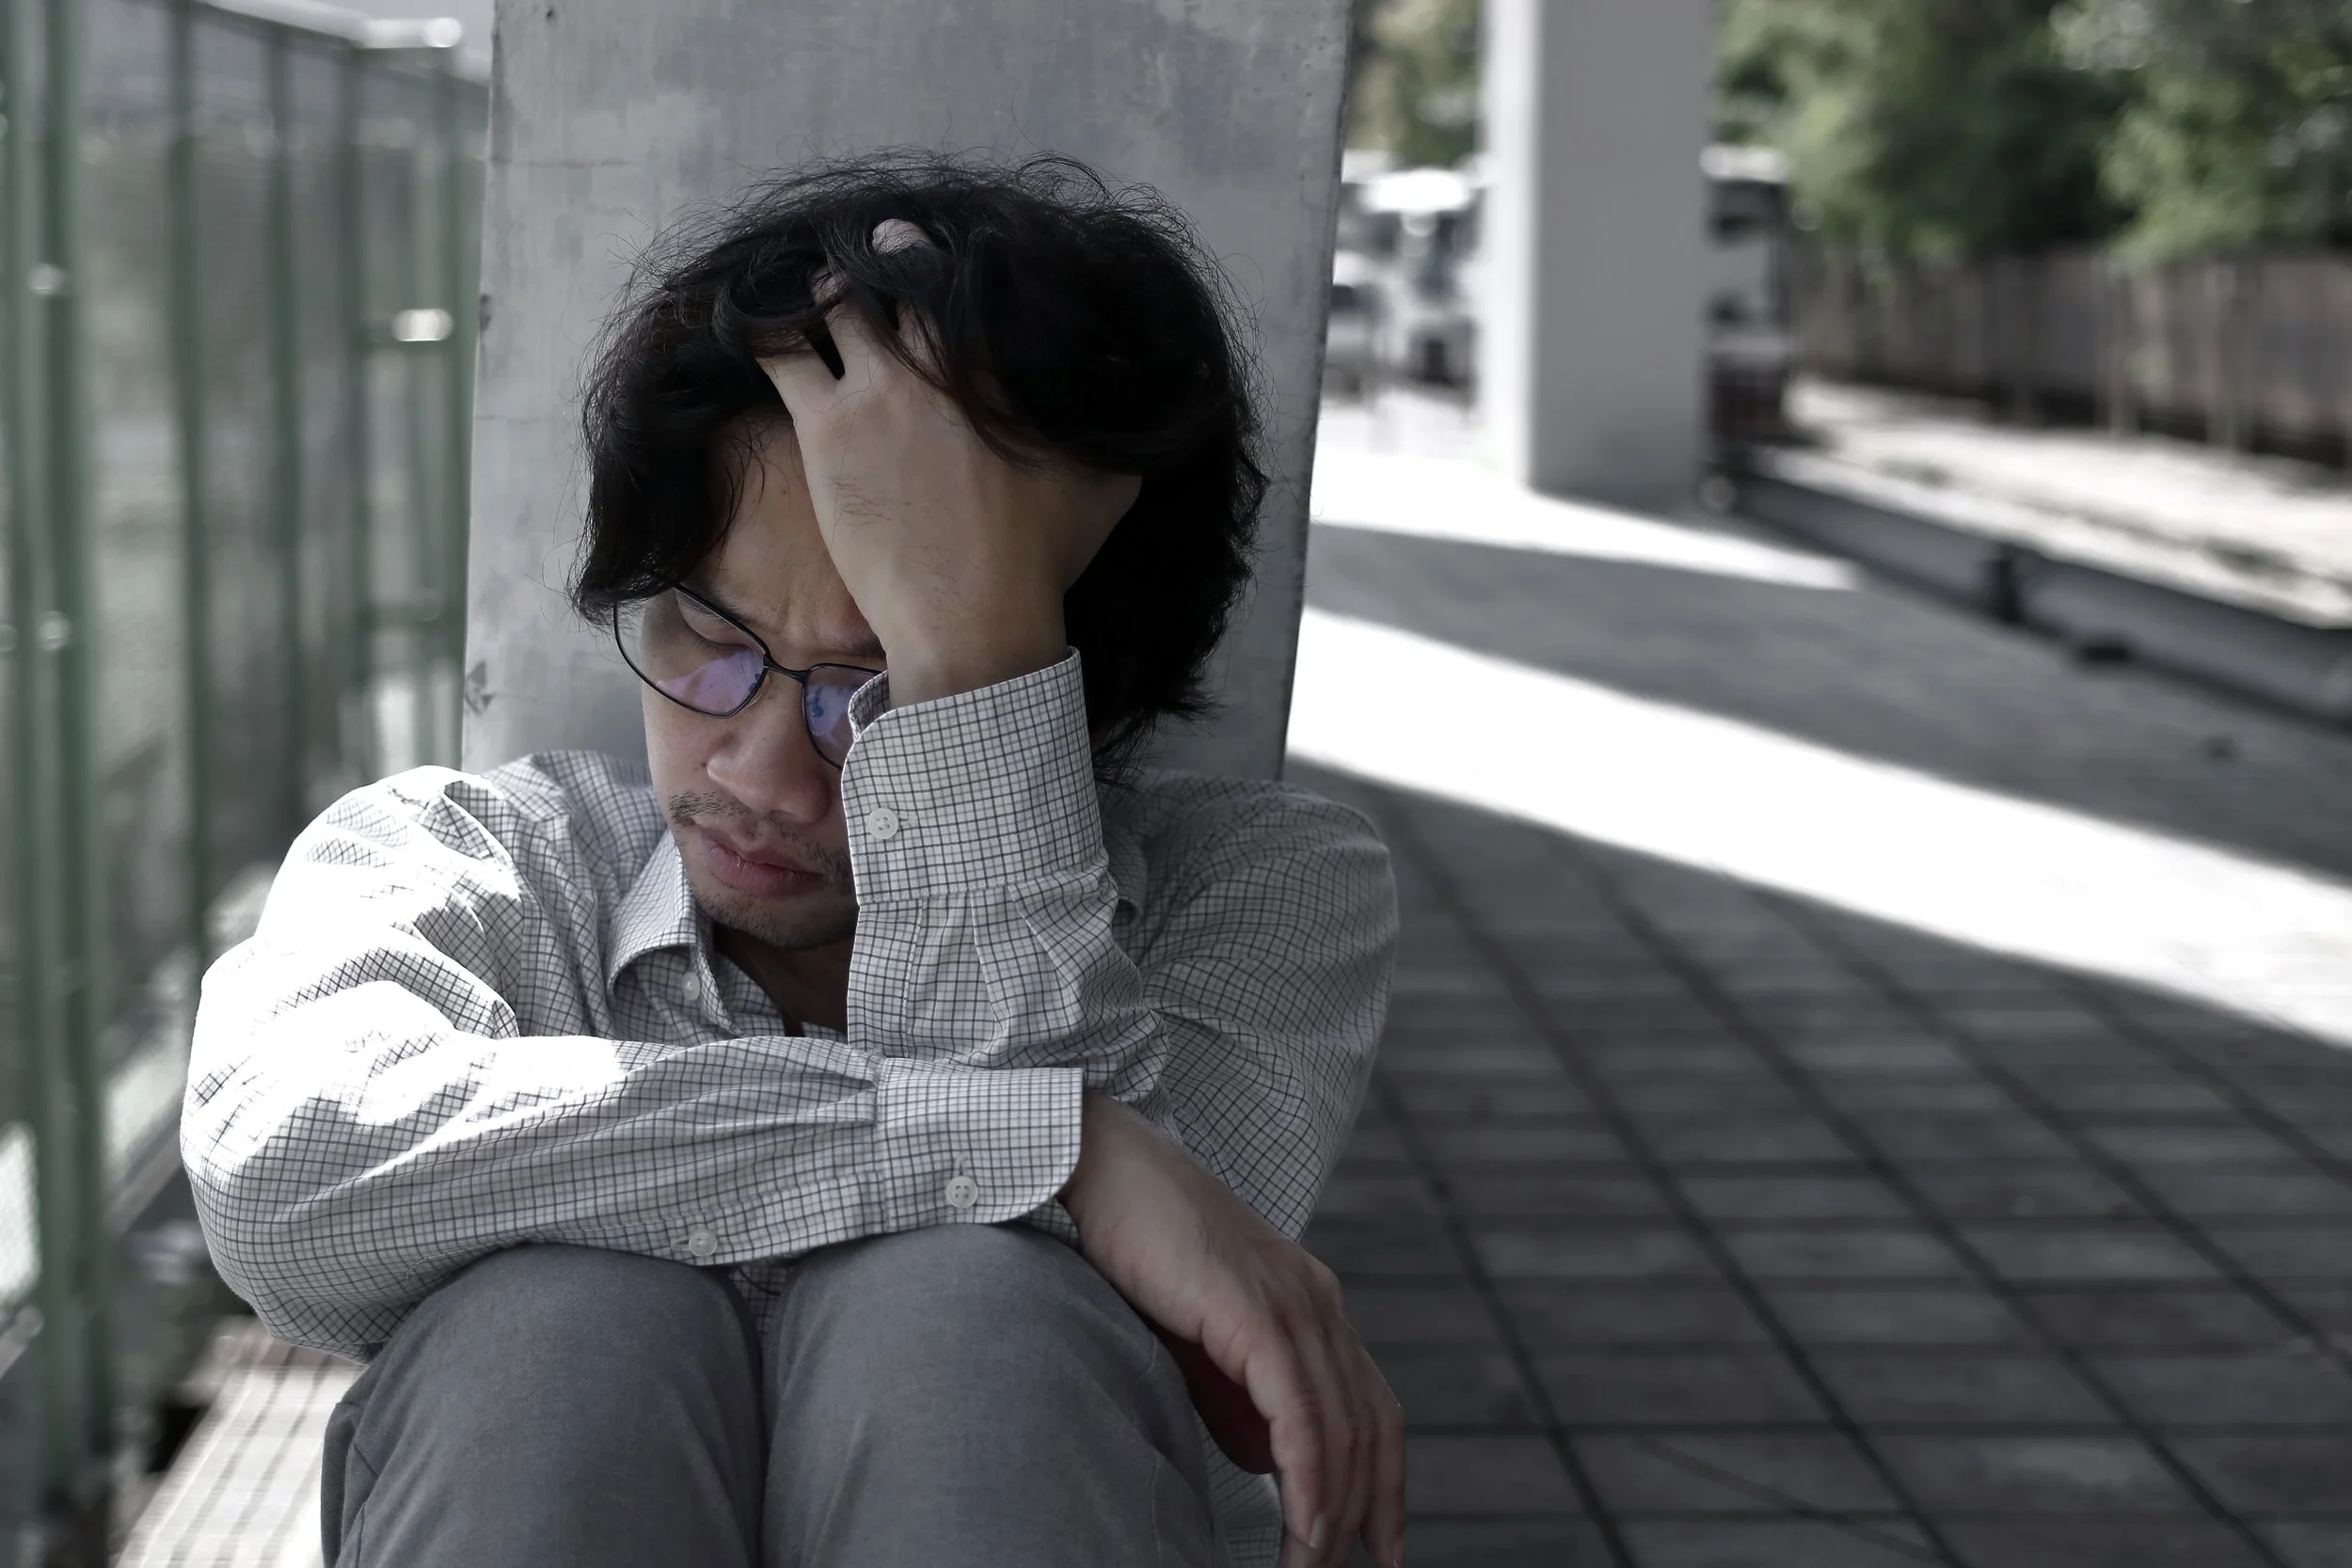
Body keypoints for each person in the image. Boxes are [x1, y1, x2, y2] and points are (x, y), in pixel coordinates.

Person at [184, 153, 1402, 1568]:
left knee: (969, 1316)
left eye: (873, 689)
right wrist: (1052, 1146)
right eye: (710, 638)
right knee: (561, 1328)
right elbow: (285, 1171)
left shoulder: (1258, 893)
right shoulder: (478, 862)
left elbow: (1081, 1333)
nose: (758, 775)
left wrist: (973, 659)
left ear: (1083, 688)